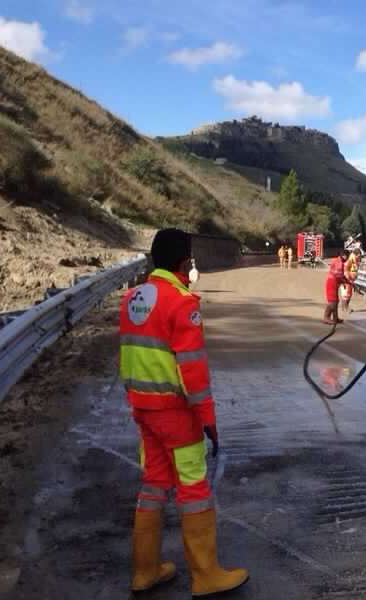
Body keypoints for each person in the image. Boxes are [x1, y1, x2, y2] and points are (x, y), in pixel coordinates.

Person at [120, 228, 248, 596]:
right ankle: (206, 575)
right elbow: (191, 369)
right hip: (176, 412)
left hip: (143, 408)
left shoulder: (132, 297)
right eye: (190, 258)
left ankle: (144, 571)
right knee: (194, 488)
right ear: (184, 261)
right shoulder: (181, 302)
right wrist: (208, 419)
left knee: (154, 486)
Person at [323, 250, 348, 324]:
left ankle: (335, 317)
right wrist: (345, 282)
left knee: (336, 301)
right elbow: (338, 276)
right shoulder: (339, 263)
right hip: (332, 283)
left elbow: (341, 276)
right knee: (332, 302)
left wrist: (345, 282)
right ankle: (326, 317)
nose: (347, 258)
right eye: (347, 256)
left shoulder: (340, 261)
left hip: (335, 283)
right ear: (343, 255)